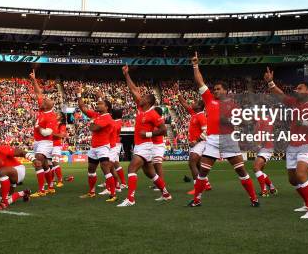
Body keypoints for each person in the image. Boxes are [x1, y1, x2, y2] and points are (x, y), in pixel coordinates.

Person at [188, 53, 259, 208]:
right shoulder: (209, 99)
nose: (215, 91)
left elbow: (240, 121)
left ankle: (254, 198)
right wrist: (195, 65)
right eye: (214, 89)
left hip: (228, 139)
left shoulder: (233, 105)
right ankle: (196, 200)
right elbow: (199, 81)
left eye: (218, 89)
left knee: (241, 171)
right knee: (203, 172)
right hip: (212, 140)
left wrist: (227, 120)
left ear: (226, 91)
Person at [264, 67, 308, 219]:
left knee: (301, 175)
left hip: (307, 145)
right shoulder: (295, 102)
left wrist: (306, 123)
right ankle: (307, 204)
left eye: (300, 88)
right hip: (292, 146)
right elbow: (281, 96)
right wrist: (270, 82)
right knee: (292, 180)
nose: (296, 90)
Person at [117, 65, 171, 207]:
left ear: (148, 101)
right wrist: (126, 74)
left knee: (131, 169)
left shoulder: (153, 114)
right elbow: (133, 89)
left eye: (144, 97)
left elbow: (164, 130)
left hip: (146, 145)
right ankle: (166, 194)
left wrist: (147, 133)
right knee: (150, 173)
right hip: (141, 145)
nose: (140, 97)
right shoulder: (141, 108)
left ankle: (131, 199)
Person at [77, 88, 116, 202]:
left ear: (106, 107)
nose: (97, 105)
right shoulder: (97, 116)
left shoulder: (107, 117)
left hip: (103, 147)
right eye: (98, 103)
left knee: (105, 169)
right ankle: (92, 192)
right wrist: (79, 95)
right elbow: (83, 108)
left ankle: (113, 194)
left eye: (100, 104)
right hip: (94, 147)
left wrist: (91, 123)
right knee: (91, 169)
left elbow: (94, 128)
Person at [28, 70, 57, 198]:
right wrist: (34, 79)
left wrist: (38, 127)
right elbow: (38, 92)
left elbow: (47, 133)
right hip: (37, 141)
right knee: (45, 164)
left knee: (38, 160)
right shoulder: (42, 108)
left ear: (51, 105)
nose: (45, 100)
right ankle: (50, 186)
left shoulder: (52, 115)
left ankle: (41, 189)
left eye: (48, 100)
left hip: (45, 141)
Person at [178, 95, 212, 195]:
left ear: (199, 106)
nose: (192, 103)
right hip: (197, 143)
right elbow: (184, 104)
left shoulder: (201, 116)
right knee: (198, 165)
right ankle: (206, 184)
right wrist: (178, 94)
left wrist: (195, 142)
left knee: (191, 163)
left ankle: (198, 188)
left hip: (200, 143)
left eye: (195, 102)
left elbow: (206, 131)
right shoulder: (194, 113)